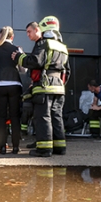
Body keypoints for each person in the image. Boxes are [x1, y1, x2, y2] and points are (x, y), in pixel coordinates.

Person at [13, 17, 70, 157]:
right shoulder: (63, 47)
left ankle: (44, 149)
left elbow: (36, 61)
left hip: (45, 87)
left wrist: (19, 57)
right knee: (57, 116)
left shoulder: (44, 44)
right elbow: (67, 71)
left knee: (43, 117)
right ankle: (60, 147)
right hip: (59, 88)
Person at [0, 27, 24, 154]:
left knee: (1, 116)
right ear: (12, 37)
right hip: (15, 84)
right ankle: (16, 147)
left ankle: (2, 147)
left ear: (0, 36)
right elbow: (23, 70)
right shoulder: (17, 49)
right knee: (15, 116)